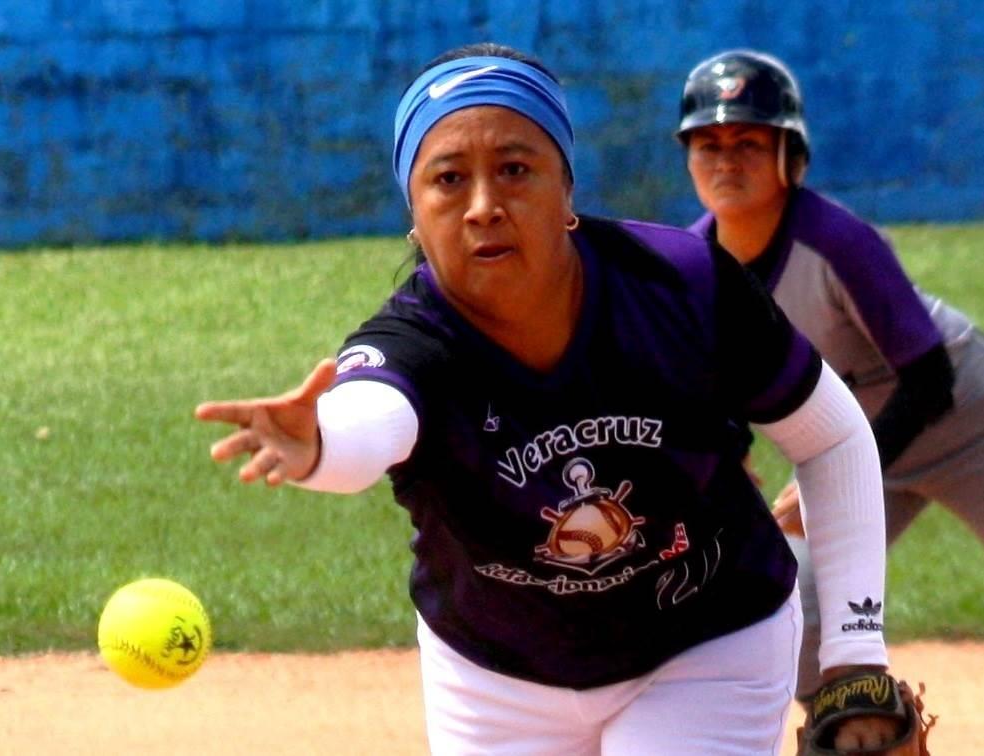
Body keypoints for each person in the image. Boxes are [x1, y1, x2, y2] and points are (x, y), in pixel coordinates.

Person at [197, 42, 902, 754]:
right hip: (493, 679)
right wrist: (317, 444)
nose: (482, 207)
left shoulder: (678, 283)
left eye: (513, 169)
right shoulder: (413, 343)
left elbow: (831, 434)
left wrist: (854, 651)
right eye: (447, 179)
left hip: (705, 644)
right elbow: (370, 419)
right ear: (413, 212)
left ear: (566, 189)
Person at [677, 48, 984, 706]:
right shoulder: (692, 266)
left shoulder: (834, 240)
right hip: (861, 445)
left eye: (748, 141)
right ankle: (862, 732)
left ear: (790, 154)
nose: (726, 160)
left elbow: (929, 379)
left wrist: (831, 476)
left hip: (965, 422)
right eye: (708, 143)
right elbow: (701, 397)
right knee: (793, 624)